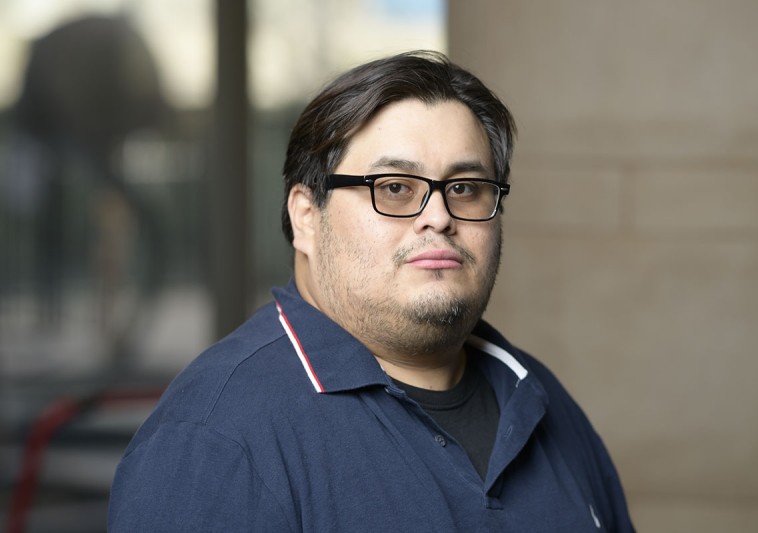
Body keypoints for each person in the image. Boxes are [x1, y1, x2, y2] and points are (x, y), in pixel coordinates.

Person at [108, 51, 635, 532]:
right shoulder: (215, 440)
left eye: (465, 188)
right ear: (306, 216)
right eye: (395, 187)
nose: (439, 216)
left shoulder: (539, 398)